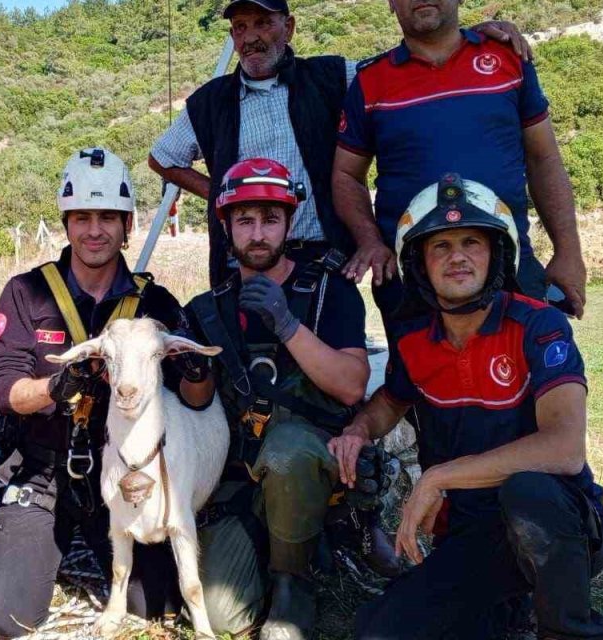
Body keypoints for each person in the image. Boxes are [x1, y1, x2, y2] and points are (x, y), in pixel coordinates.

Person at [330, 175, 603, 640]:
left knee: (529, 492)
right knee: (378, 633)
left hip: (560, 525)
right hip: (471, 536)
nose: (457, 256)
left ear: (496, 253)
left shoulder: (538, 325)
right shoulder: (415, 341)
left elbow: (565, 448)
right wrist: (360, 429)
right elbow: (391, 399)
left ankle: (570, 630)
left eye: (471, 242)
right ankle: (505, 607)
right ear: (419, 263)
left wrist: (439, 476)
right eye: (439, 245)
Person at [0, 148, 214, 638]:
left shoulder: (155, 303)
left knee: (151, 605)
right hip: (45, 471)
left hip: (128, 476)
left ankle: (94, 547)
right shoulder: (26, 292)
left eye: (108, 217)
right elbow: (3, 391)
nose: (94, 230)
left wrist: (194, 370)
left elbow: (197, 400)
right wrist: (55, 386)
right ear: (65, 223)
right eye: (82, 216)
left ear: (128, 225)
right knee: (9, 616)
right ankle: (48, 543)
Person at [149, 0, 530, 288]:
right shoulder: (209, 101)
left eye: (263, 23)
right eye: (240, 27)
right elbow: (162, 158)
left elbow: (397, 66)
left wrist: (461, 37)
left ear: (289, 27)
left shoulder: (331, 76)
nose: (250, 37)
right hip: (246, 263)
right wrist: (220, 195)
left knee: (331, 376)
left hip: (323, 259)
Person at [180, 158, 386, 640]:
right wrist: (192, 367)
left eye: (270, 220)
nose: (257, 234)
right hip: (244, 476)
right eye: (245, 220)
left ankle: (293, 582)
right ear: (226, 225)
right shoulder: (209, 308)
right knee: (220, 618)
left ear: (289, 223)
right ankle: (285, 541)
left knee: (288, 451)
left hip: (312, 460)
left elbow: (353, 384)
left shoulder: (329, 293)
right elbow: (196, 404)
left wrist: (288, 326)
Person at [333, 0, 586, 345]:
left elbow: (544, 160)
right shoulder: (369, 81)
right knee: (419, 392)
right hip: (413, 281)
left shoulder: (509, 59)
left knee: (536, 385)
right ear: (391, 4)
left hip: (509, 266)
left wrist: (568, 252)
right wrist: (369, 241)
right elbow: (346, 175)